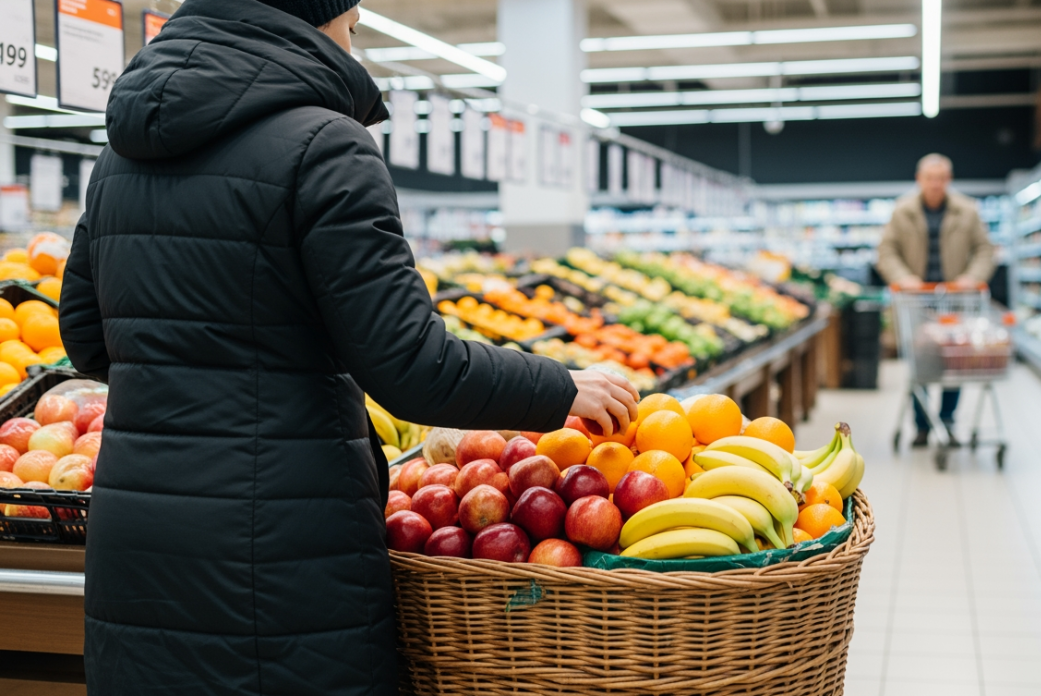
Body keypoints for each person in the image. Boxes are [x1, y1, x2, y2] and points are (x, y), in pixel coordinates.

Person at [59, 1, 639, 693]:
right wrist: (561, 387)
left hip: (138, 542)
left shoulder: (117, 157)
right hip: (279, 547)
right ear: (319, 19)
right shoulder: (327, 145)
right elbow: (412, 368)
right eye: (354, 25)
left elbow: (86, 341)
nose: (352, 40)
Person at [876, 153, 995, 448]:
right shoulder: (902, 211)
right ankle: (922, 425)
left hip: (956, 300)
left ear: (948, 180)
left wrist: (971, 277)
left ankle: (948, 420)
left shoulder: (967, 211)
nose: (935, 184)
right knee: (923, 363)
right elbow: (886, 252)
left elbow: (985, 250)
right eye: (930, 178)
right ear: (920, 179)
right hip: (916, 302)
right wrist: (903, 277)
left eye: (941, 179)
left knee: (955, 362)